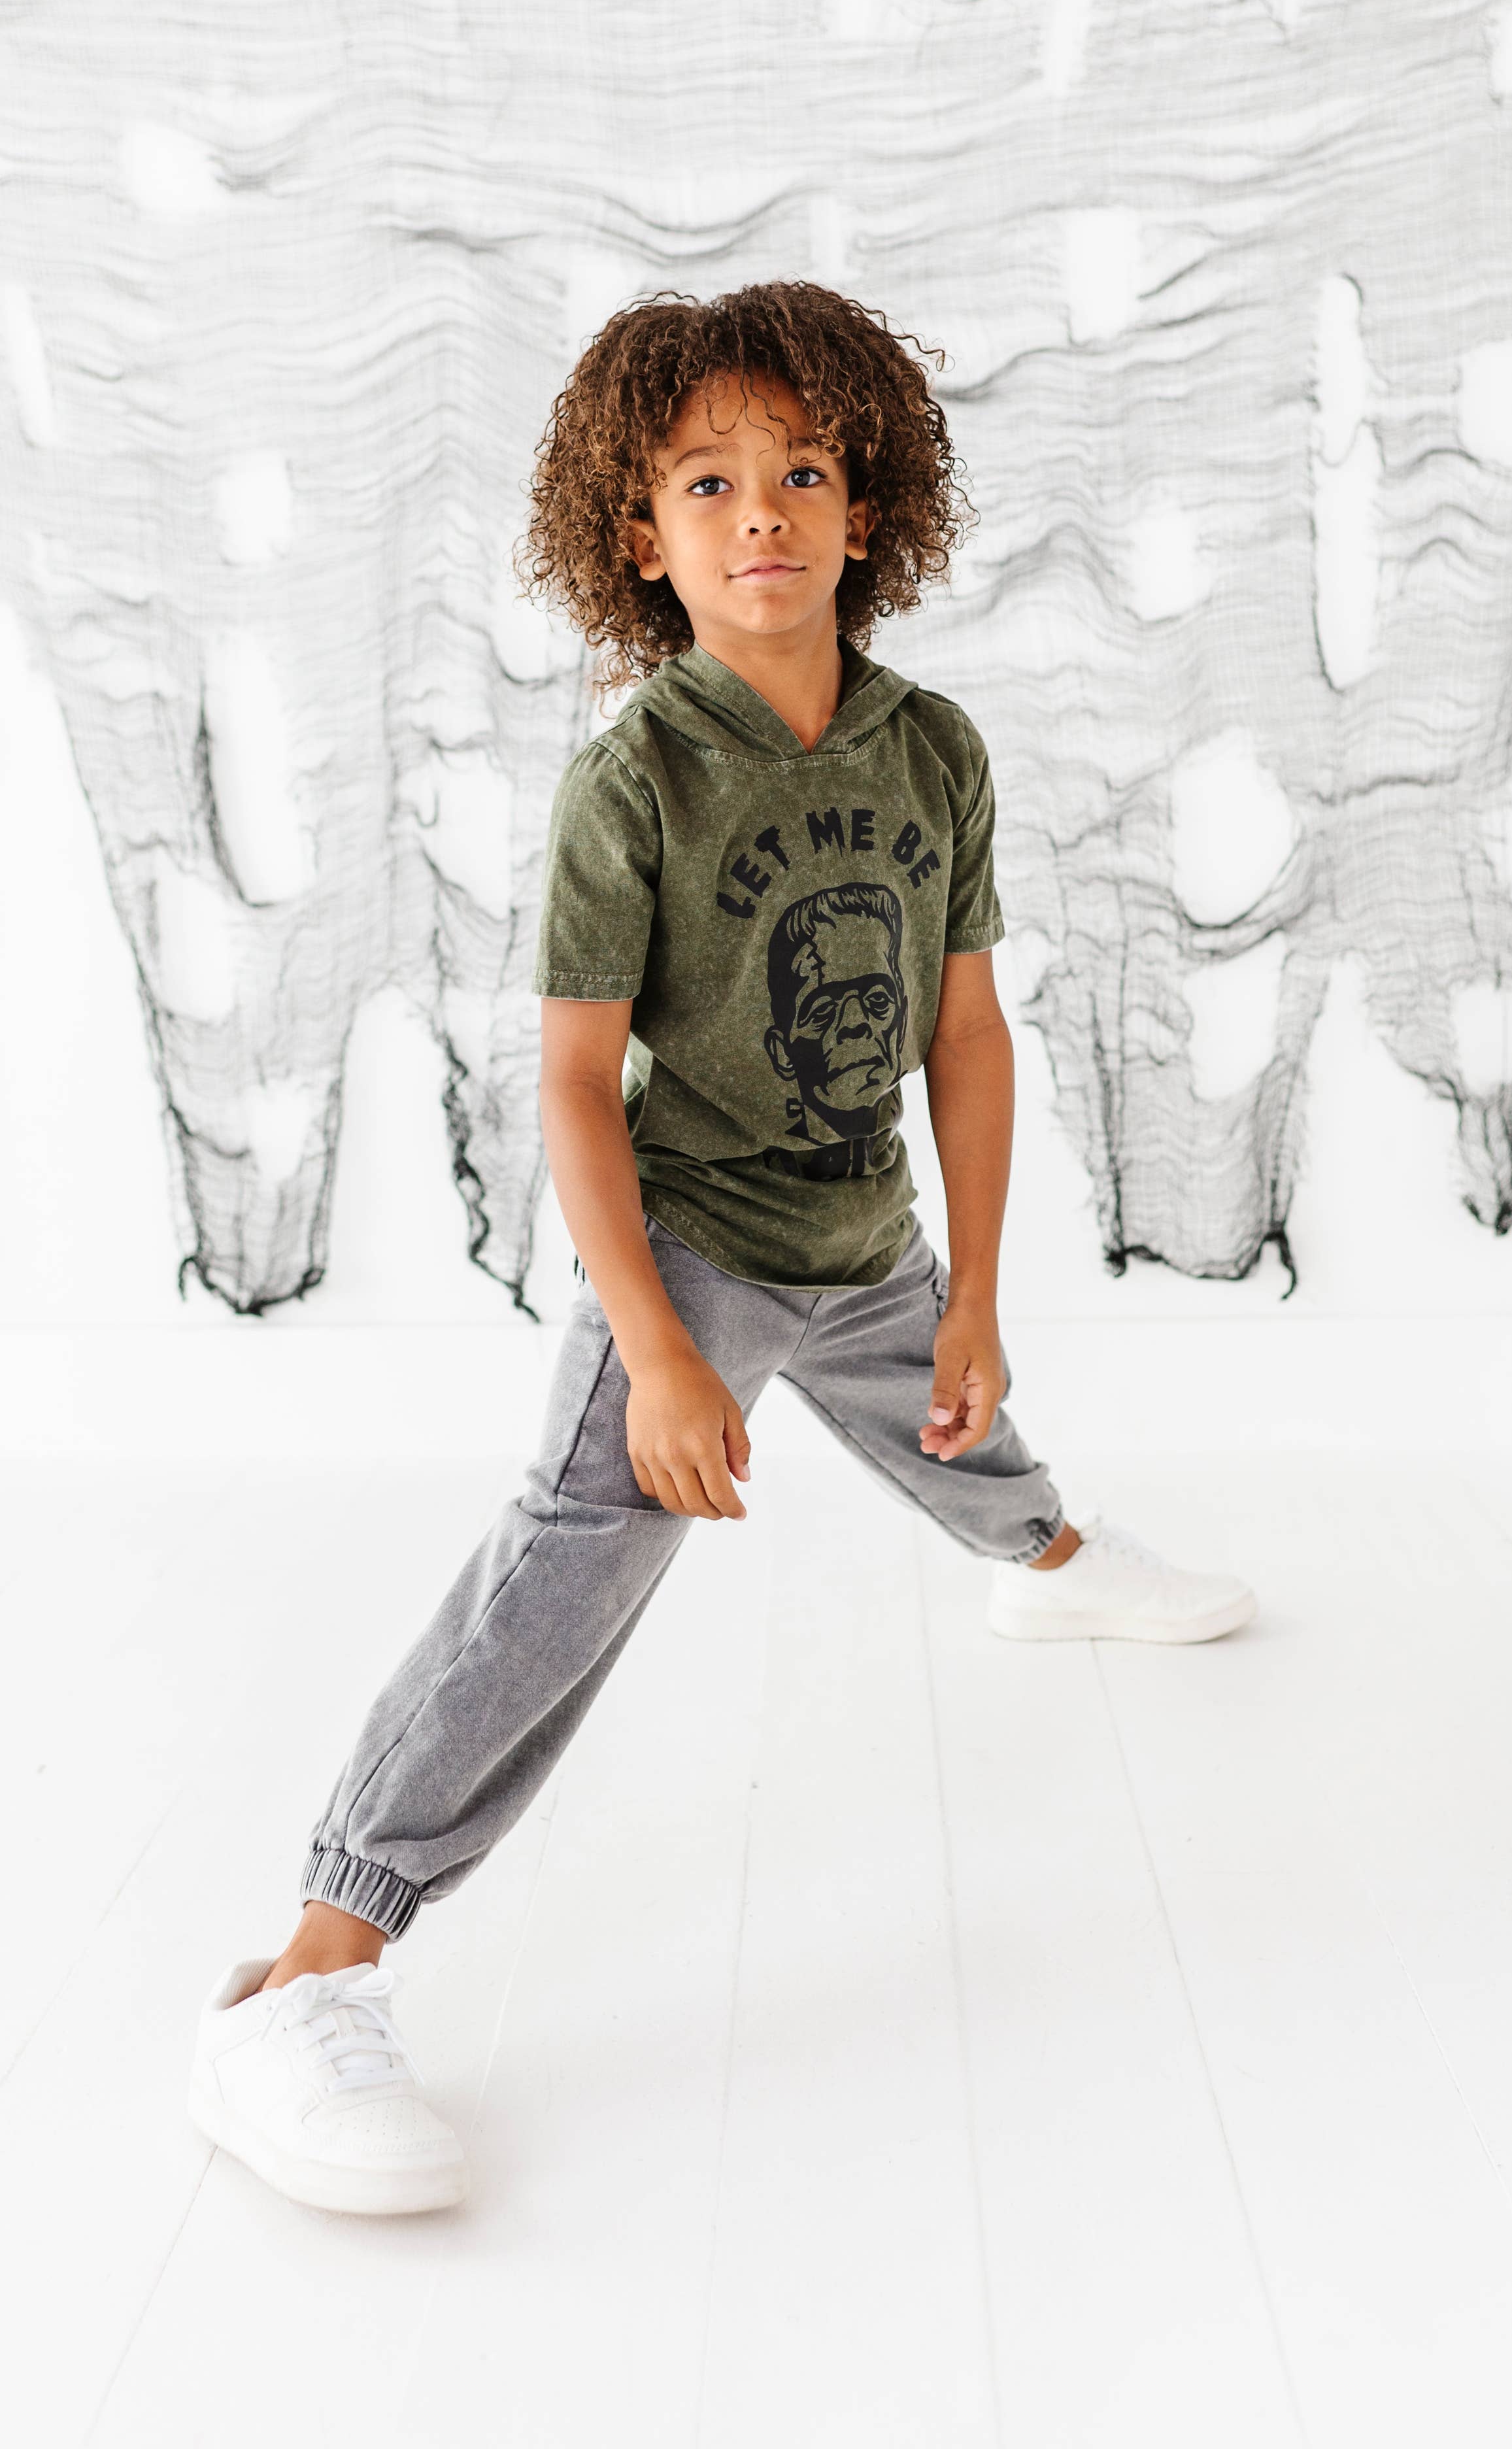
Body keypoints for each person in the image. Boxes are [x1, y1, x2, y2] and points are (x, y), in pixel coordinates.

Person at [190, 282, 1256, 2216]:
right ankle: (309, 1973)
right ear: (640, 535)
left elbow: (967, 1032)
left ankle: (1049, 1562)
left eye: (803, 470)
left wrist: (980, 1294)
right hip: (690, 1254)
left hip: (866, 1233)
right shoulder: (640, 780)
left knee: (956, 1419)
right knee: (564, 1576)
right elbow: (573, 1083)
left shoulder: (934, 750)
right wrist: (665, 1358)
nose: (761, 509)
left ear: (869, 509)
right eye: (707, 481)